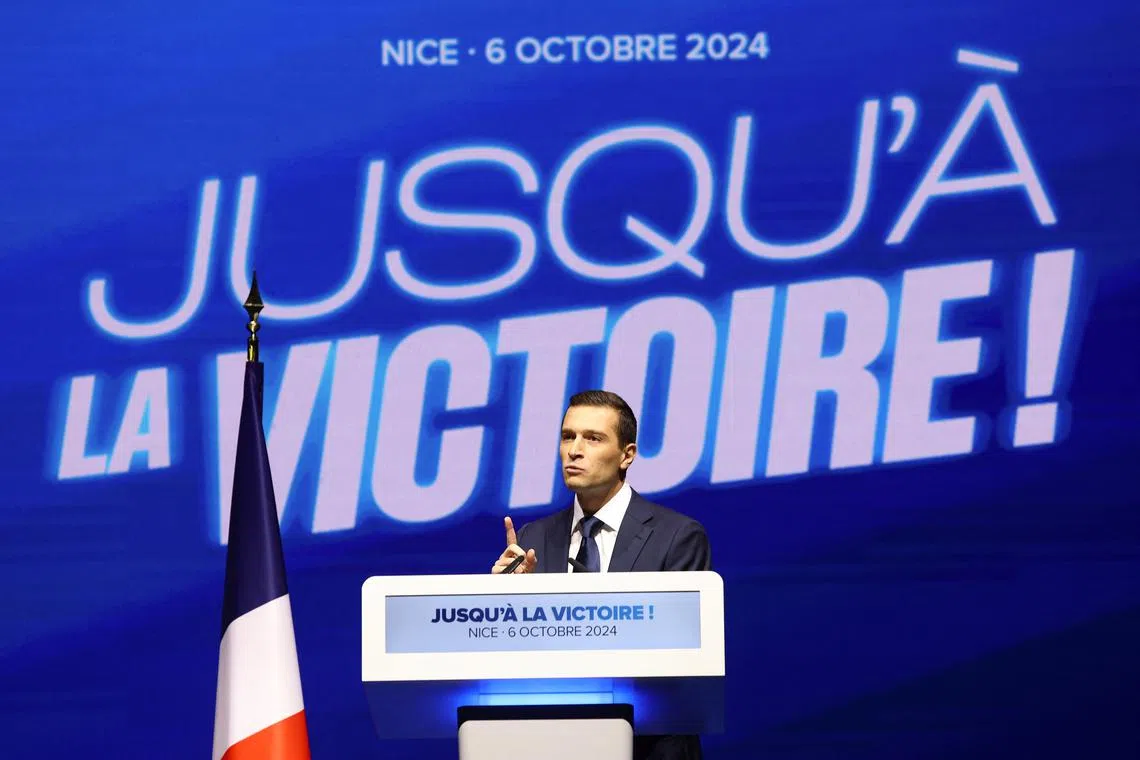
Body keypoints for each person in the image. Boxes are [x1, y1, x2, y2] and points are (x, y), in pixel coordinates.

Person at [491, 389, 710, 760]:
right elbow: (511, 660)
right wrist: (506, 605)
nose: (574, 450)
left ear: (628, 455)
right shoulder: (533, 540)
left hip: (648, 746)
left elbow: (680, 665)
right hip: (548, 744)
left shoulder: (678, 537)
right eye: (568, 436)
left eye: (593, 438)